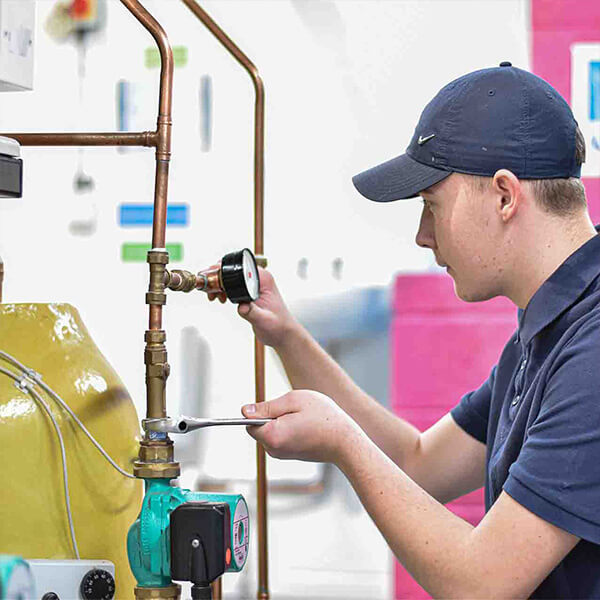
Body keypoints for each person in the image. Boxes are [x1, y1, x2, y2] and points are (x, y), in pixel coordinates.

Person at [212, 63, 600, 598]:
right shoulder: (545, 335)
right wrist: (286, 334)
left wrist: (342, 442)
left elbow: (481, 584)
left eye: (430, 206)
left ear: (506, 197)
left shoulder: (592, 351)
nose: (422, 235)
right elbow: (419, 465)